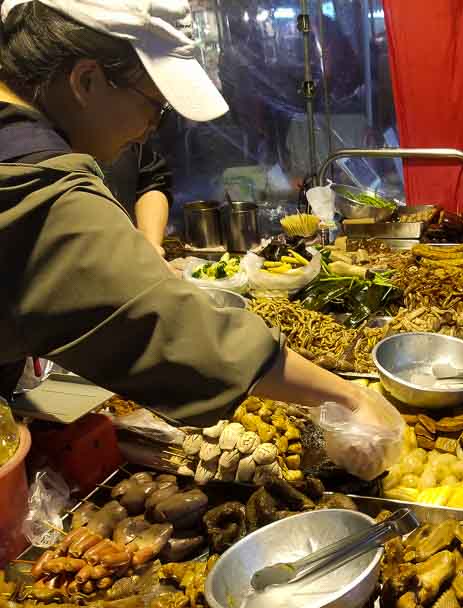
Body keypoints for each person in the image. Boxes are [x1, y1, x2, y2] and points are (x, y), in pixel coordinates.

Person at [0, 0, 401, 480]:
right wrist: (347, 396)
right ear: (86, 81)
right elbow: (171, 325)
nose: (153, 127)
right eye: (157, 106)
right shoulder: (34, 180)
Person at [102, 141, 173, 259]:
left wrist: (151, 248)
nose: (152, 127)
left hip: (130, 257)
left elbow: (150, 180)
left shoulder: (134, 147)